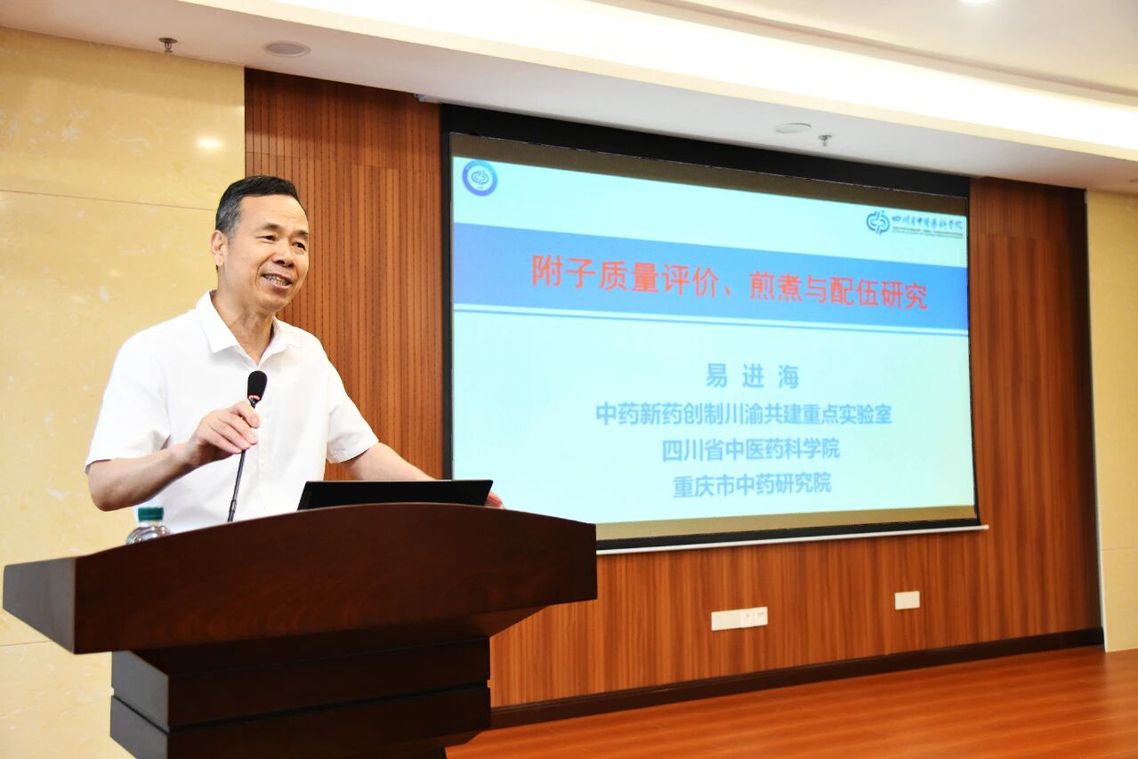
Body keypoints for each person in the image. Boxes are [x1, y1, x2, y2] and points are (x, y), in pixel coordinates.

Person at [86, 175, 499, 532]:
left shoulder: (307, 353)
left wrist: (451, 500)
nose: (287, 256)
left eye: (299, 244)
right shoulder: (155, 350)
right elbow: (104, 486)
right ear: (219, 246)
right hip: (192, 578)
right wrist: (187, 454)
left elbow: (362, 454)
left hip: (296, 575)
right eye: (269, 237)